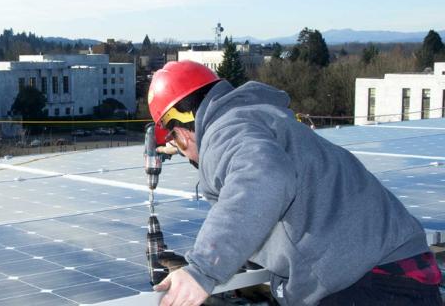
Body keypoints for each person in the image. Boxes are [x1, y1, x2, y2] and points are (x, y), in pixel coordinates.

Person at [148, 60, 442, 305]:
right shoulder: (259, 118)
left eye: (175, 140)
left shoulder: (225, 131)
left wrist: (203, 268)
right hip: (394, 273)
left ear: (182, 133)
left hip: (370, 285)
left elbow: (263, 177)